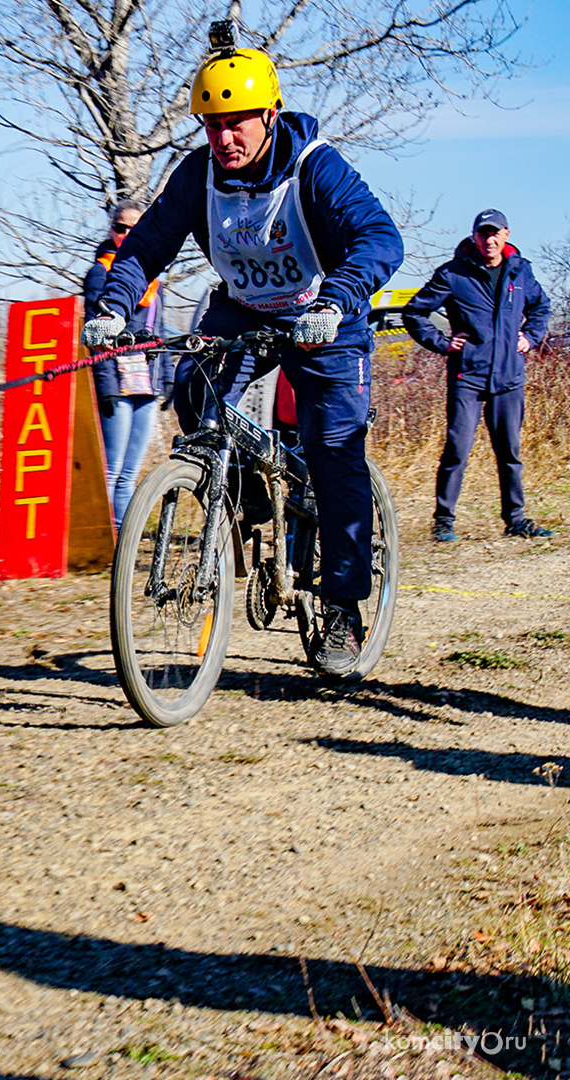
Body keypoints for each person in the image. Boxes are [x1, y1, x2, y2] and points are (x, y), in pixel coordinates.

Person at [84, 43, 403, 677]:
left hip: (325, 318)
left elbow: (380, 237)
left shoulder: (316, 167)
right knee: (197, 399)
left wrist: (338, 298)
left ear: (272, 114)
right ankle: (247, 489)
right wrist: (114, 306)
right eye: (212, 124)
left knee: (334, 452)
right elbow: (147, 246)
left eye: (238, 122)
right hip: (246, 309)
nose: (224, 137)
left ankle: (341, 606)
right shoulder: (196, 175)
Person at [404, 209, 553, 542]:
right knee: (457, 449)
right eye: (483, 234)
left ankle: (516, 521)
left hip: (509, 377)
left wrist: (529, 337)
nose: (489, 240)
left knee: (510, 452)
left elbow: (541, 307)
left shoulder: (520, 271)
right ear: (474, 237)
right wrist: (442, 343)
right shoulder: (453, 274)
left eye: (495, 233)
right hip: (468, 377)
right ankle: (443, 522)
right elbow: (415, 312)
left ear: (506, 235)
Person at [82, 199, 165, 526]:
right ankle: (104, 538)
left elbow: (160, 331)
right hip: (116, 381)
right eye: (120, 228)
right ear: (111, 230)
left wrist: (167, 381)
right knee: (111, 468)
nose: (127, 234)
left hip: (146, 380)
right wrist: (105, 387)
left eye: (135, 228)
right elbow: (94, 334)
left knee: (130, 471)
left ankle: (123, 543)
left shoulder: (153, 276)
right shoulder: (100, 273)